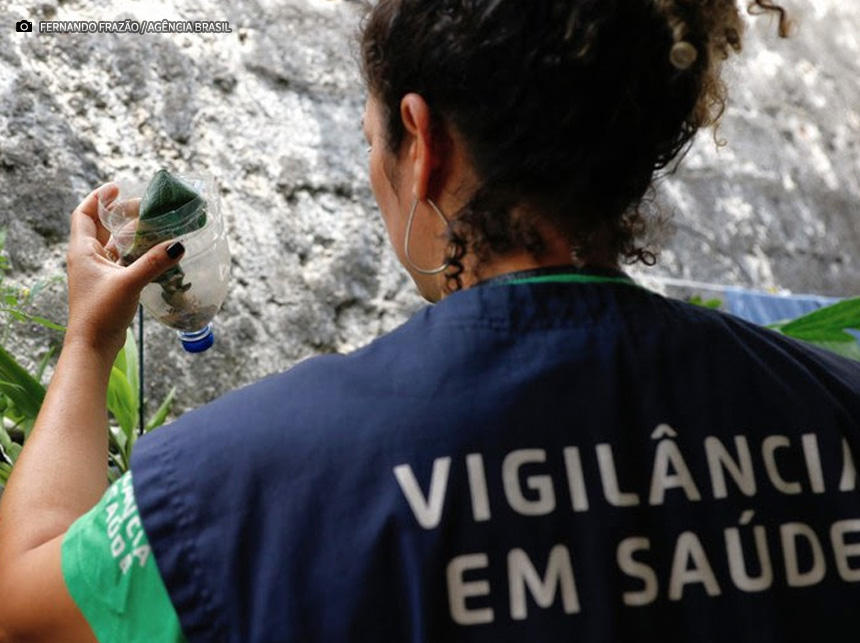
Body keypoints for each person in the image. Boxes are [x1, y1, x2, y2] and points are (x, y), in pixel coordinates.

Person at [1, 0, 859, 641]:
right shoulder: (838, 403)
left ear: (424, 143)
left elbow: (22, 604)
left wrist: (89, 340)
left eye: (376, 136)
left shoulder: (236, 485)